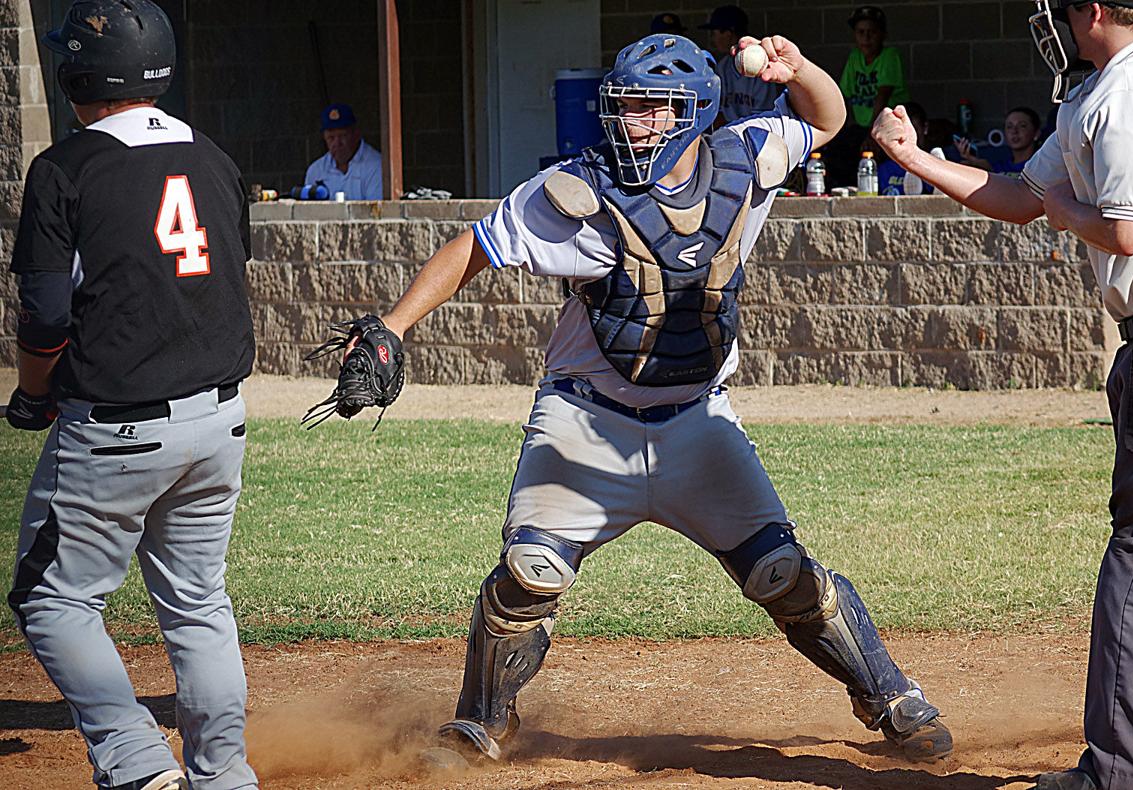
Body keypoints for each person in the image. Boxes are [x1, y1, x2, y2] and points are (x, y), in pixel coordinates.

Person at [327, 30, 953, 766]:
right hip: (585, 421)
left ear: (695, 111)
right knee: (529, 573)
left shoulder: (745, 159)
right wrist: (394, 327)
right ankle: (483, 717)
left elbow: (826, 119)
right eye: (626, 108)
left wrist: (801, 70)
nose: (635, 122)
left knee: (783, 575)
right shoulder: (576, 192)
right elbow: (476, 246)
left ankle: (888, 694)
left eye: (655, 108)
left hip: (698, 425)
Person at [872, 2, 1133, 788]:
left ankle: (1120, 773)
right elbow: (1021, 193)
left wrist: (1063, 211)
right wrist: (918, 159)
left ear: (1093, 12)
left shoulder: (1128, 99)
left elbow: (1125, 231)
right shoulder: (1114, 90)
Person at [6, 2, 259, 789]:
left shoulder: (64, 168)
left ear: (78, 74)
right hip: (220, 419)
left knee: (51, 599)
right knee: (196, 601)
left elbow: (45, 319)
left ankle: (136, 761)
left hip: (115, 428)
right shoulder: (213, 156)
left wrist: (31, 394)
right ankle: (222, 776)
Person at [822, 5, 911, 188]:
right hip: (863, 128)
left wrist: (872, 136)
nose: (866, 38)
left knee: (877, 153)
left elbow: (882, 97)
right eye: (860, 32)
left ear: (883, 35)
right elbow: (843, 97)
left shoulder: (889, 56)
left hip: (889, 125)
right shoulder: (855, 57)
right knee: (836, 150)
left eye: (872, 32)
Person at [700, 5, 781, 123]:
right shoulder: (723, 67)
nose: (713, 39)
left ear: (727, 33)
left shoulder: (761, 67)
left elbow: (764, 118)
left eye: (714, 33)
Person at [302, 103, 382, 201]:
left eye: (343, 136)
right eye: (331, 138)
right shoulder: (316, 171)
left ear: (356, 134)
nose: (337, 143)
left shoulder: (376, 165)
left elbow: (376, 213)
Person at [954, 106, 1042, 179]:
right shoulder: (999, 166)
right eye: (1009, 127)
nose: (1014, 131)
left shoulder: (1042, 166)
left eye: (1022, 126)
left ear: (1036, 133)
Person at [877, 101, 933, 195]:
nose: (909, 136)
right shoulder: (884, 169)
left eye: (915, 130)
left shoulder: (932, 165)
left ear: (925, 128)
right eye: (904, 130)